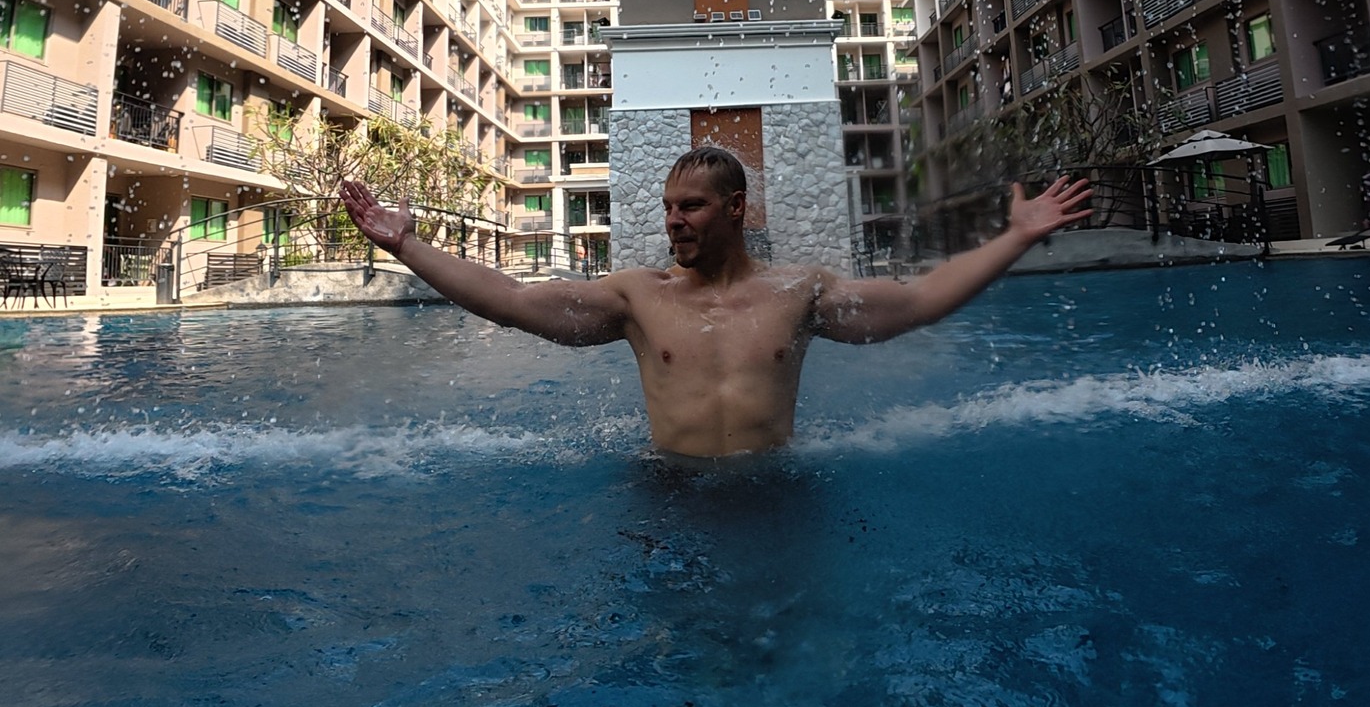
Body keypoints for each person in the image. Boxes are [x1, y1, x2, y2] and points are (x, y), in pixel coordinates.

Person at [339, 147, 1091, 459]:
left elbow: (923, 299)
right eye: (668, 207)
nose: (673, 221)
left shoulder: (802, 293)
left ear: (735, 210)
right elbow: (509, 300)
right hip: (670, 496)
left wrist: (1017, 237)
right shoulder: (636, 297)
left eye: (691, 208)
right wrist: (407, 245)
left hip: (776, 496)